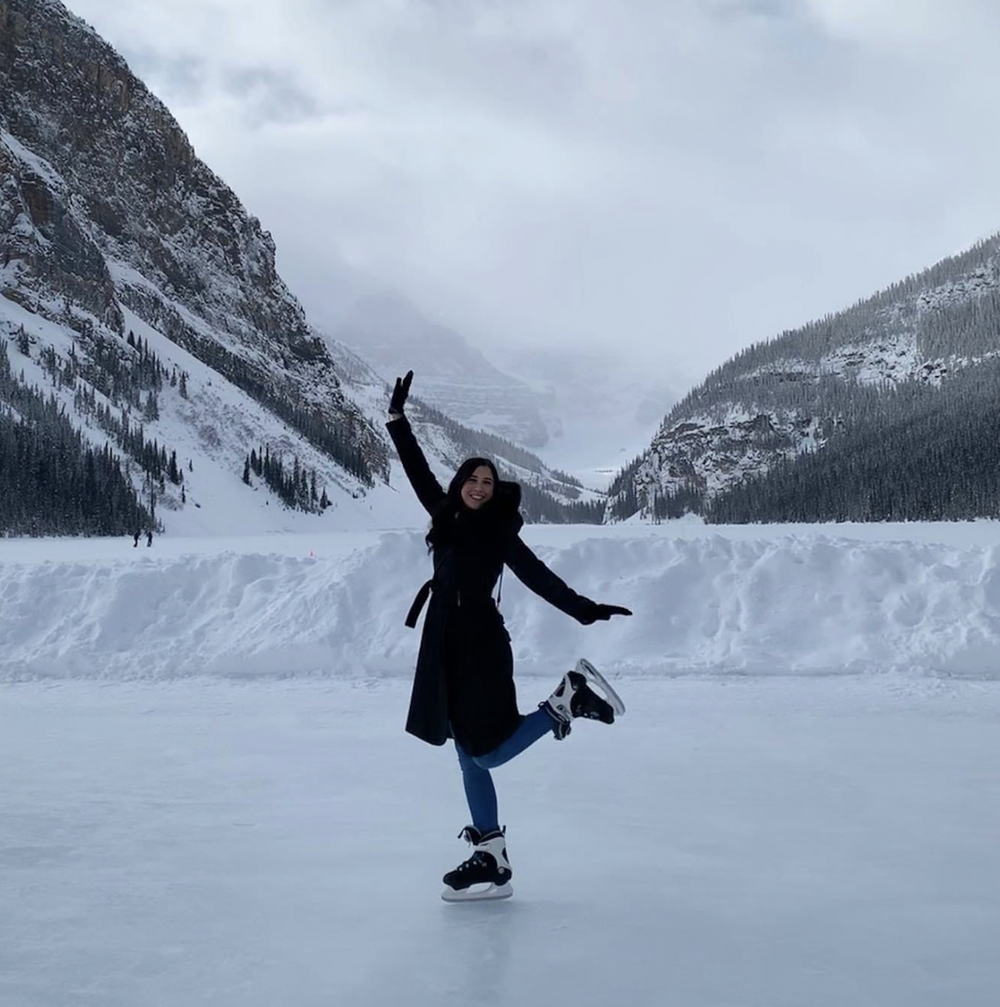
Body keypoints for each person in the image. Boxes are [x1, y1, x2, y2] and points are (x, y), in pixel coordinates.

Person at [386, 370, 632, 902]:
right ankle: (491, 855)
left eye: (488, 483)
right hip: (443, 649)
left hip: (480, 649)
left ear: (495, 493)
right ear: (460, 486)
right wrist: (397, 421)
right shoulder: (444, 515)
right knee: (467, 756)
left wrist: (584, 609)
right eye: (473, 479)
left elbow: (537, 575)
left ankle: (564, 702)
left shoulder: (498, 533)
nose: (479, 487)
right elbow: (416, 470)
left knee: (489, 752)